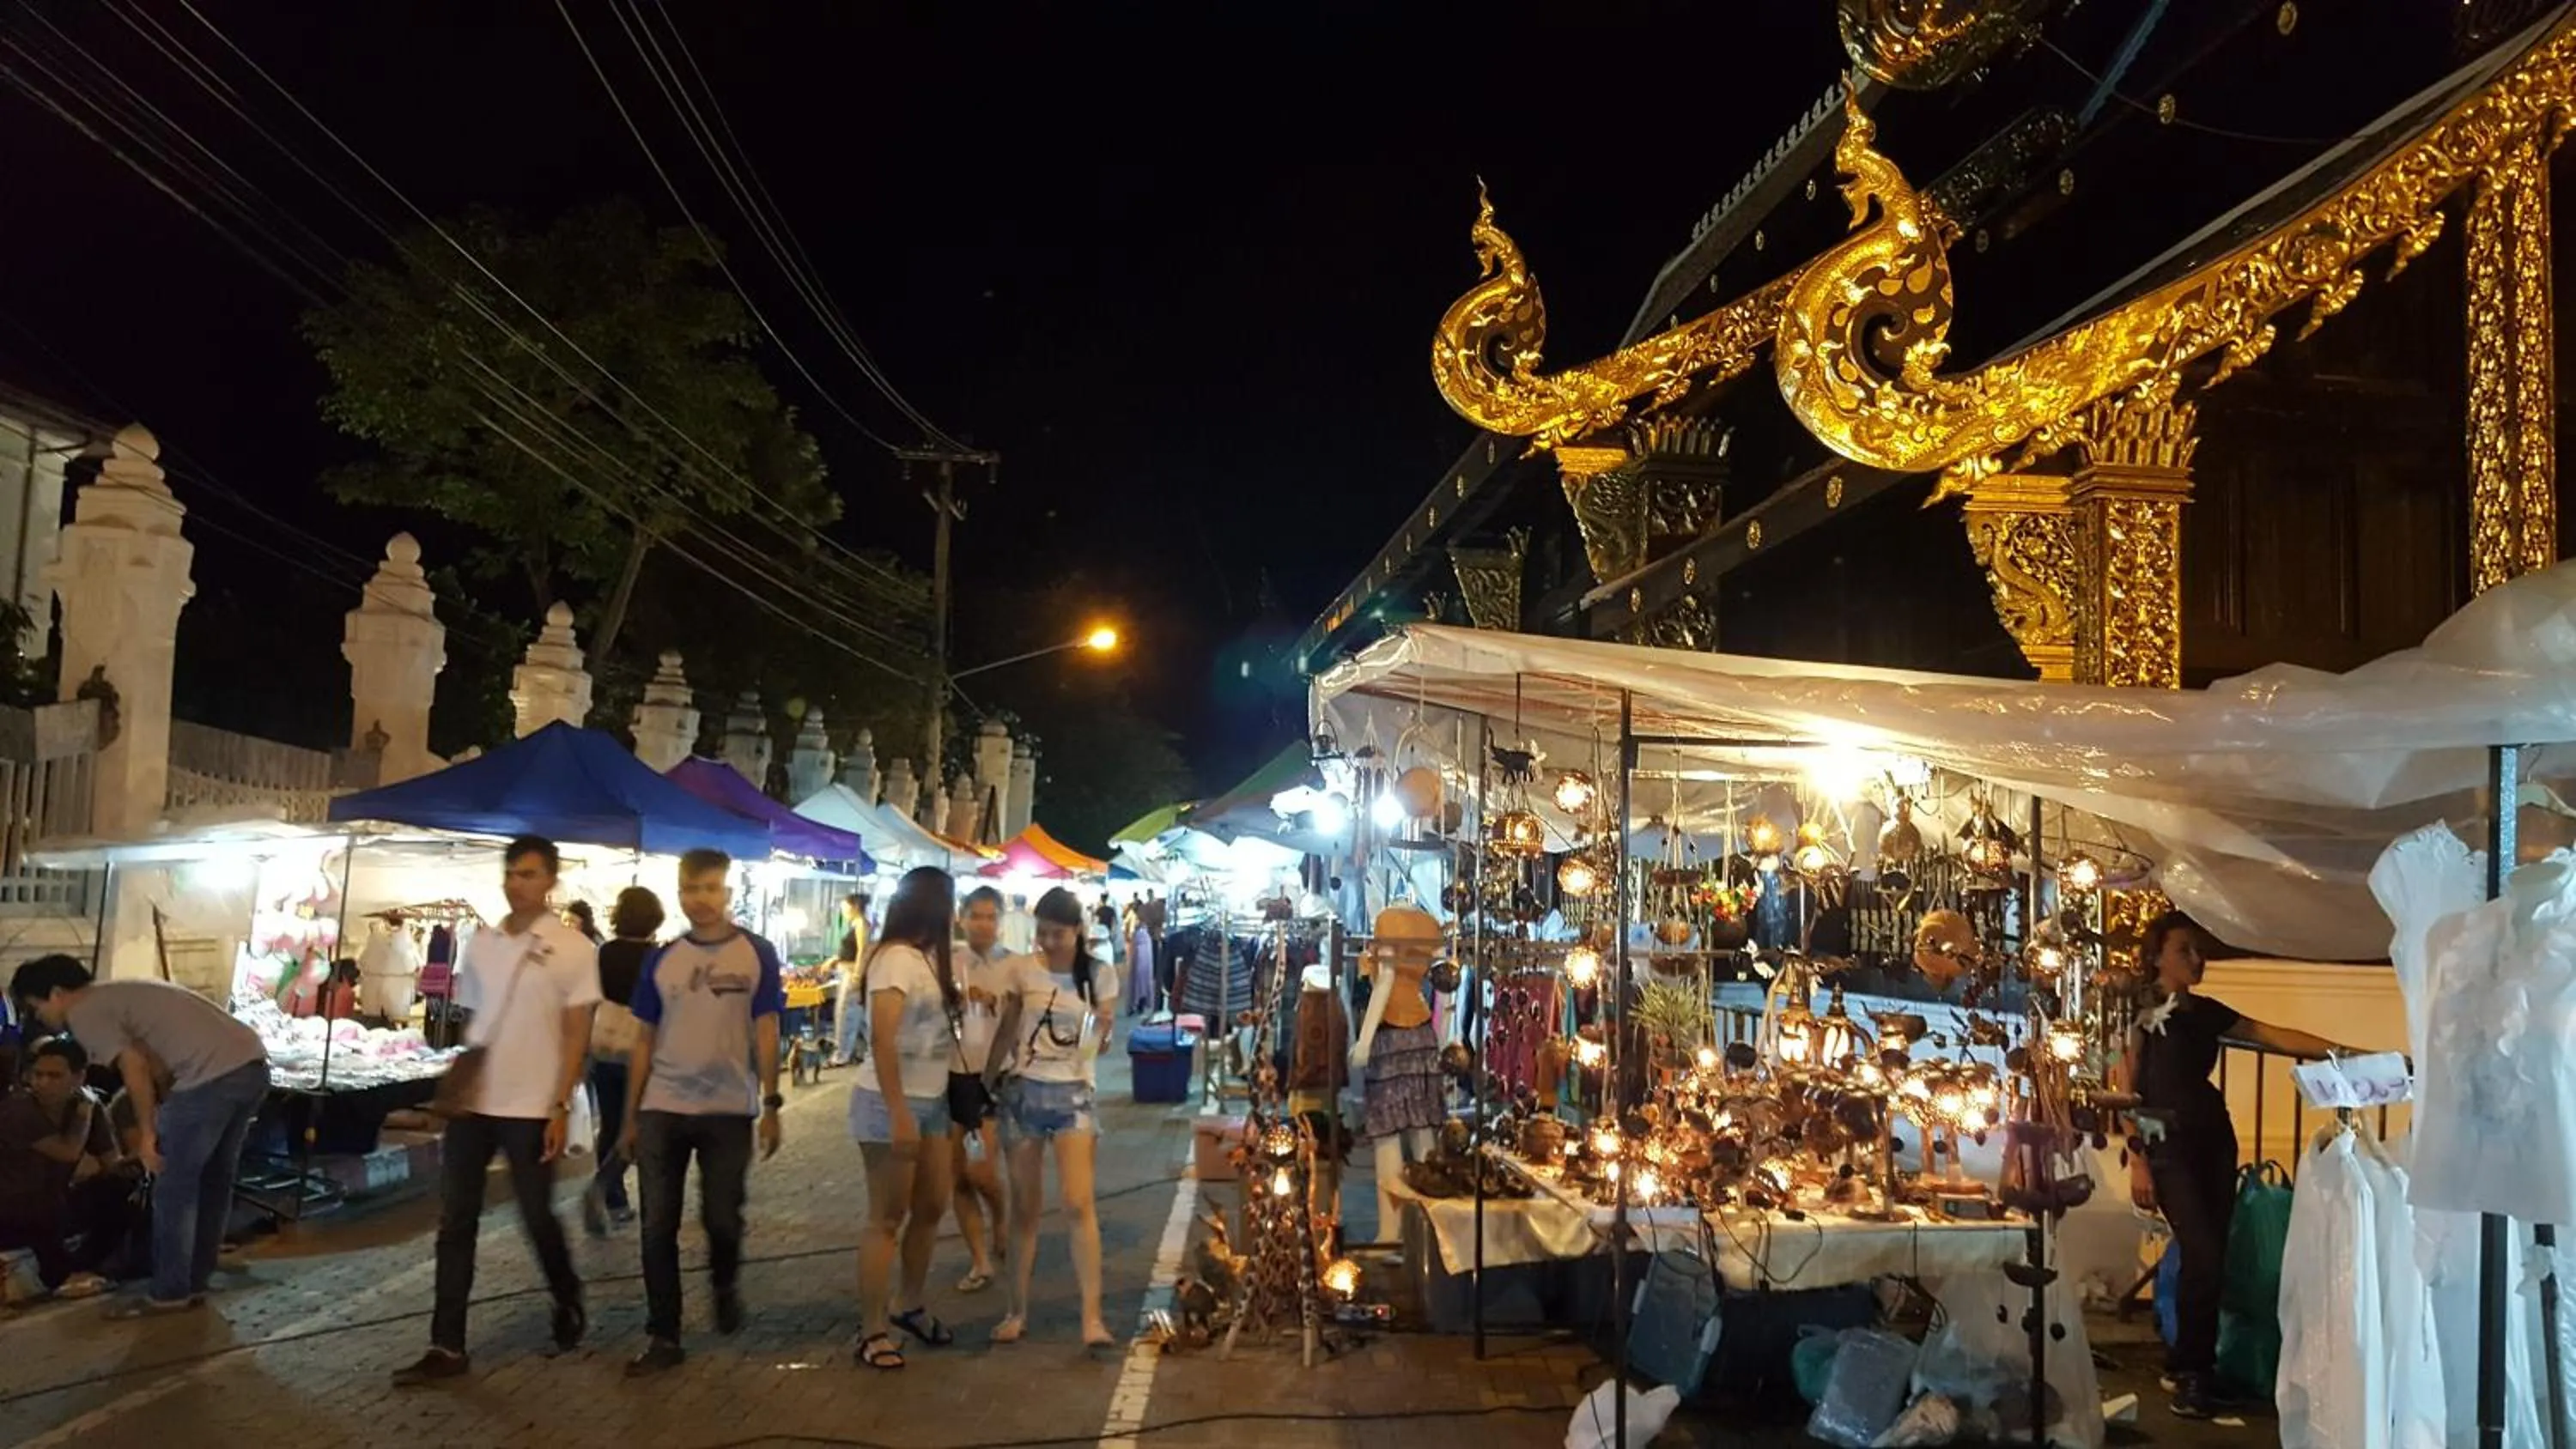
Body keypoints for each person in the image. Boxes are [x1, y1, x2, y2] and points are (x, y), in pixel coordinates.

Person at [2118, 910, 2347, 1419]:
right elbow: (2125, 1086)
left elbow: (2273, 1033)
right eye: (2185, 951)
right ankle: (2192, 1373)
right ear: (2157, 956)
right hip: (2167, 1144)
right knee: (2201, 1252)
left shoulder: (2206, 1012)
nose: (2197, 959)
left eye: (2200, 951)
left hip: (2213, 1139)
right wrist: (2137, 1159)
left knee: (2213, 1252)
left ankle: (2191, 1366)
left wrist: (2345, 1051)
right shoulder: (2135, 1011)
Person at [393, 837, 601, 1387]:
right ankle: (447, 1343)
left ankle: (566, 1293)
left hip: (532, 1105)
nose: (517, 883)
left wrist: (560, 1103)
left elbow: (578, 1031)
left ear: (551, 881)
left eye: (530, 874)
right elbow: (474, 1019)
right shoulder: (480, 942)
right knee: (455, 1221)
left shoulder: (572, 948)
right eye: (511, 873)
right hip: (475, 1103)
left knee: (536, 1214)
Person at [9, 954, 269, 1319]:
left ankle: (169, 1292)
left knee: (173, 1188)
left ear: (55, 993)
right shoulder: (116, 994)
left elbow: (134, 1068)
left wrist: (148, 1134)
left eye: (36, 1007)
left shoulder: (85, 1012)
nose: (39, 1017)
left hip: (209, 1078)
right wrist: (165, 1105)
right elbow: (154, 1059)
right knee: (212, 1181)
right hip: (251, 1066)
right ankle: (194, 1281)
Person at [617, 849, 786, 1375]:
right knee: (656, 1226)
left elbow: (767, 1030)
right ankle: (663, 1333)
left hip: (728, 1109)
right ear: (680, 893)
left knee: (722, 1217)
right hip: (662, 1108)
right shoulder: (662, 959)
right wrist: (629, 1116)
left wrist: (773, 1102)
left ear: (729, 895)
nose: (701, 899)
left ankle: (724, 1281)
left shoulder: (756, 953)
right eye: (691, 889)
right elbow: (643, 1039)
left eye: (711, 889)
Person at [986, 887, 1118, 1349]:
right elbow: (1005, 1030)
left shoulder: (1098, 975)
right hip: (1023, 1093)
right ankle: (1016, 1310)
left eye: (1057, 933)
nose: (1047, 941)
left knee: (1079, 1204)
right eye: (1041, 932)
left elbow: (1098, 1042)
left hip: (1074, 1097)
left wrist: (1099, 1035)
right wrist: (986, 1084)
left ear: (1077, 931)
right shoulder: (1022, 970)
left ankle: (1092, 1318)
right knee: (1025, 1208)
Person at [847, 866, 961, 1370]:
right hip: (888, 1102)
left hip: (933, 1101)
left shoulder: (928, 958)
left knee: (934, 1204)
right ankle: (872, 1330)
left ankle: (908, 1303)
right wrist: (897, 1112)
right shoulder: (893, 958)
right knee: (886, 1218)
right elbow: (882, 1037)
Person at [0, 1037, 130, 1300]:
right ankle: (60, 1275)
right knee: (36, 1202)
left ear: (79, 1076)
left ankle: (85, 1267)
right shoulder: (19, 1109)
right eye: (38, 1075)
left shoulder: (89, 1107)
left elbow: (112, 1161)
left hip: (53, 1203)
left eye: (55, 1076)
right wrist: (85, 1110)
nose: (43, 1083)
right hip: (14, 1207)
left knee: (122, 1192)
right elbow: (67, 1152)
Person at [583, 886, 664, 1237]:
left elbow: (591, 999)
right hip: (642, 1050)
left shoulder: (604, 953)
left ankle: (615, 1202)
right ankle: (610, 1186)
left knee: (611, 1124)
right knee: (642, 1128)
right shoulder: (657, 958)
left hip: (604, 1046)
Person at [948, 886, 1011, 1294]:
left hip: (993, 1075)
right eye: (977, 916)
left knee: (981, 1170)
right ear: (962, 917)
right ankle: (980, 1260)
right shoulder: (947, 961)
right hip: (950, 1073)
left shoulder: (1015, 966)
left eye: (991, 916)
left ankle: (1001, 1216)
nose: (983, 924)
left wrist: (996, 1002)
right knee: (956, 1176)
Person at [829, 894, 872, 1067]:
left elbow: (862, 950)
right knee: (860, 1017)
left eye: (845, 907)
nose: (843, 910)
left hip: (852, 973)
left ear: (855, 907)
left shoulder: (861, 924)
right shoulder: (856, 924)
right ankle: (867, 1051)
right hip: (847, 971)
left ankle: (841, 1055)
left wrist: (857, 975)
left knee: (845, 1014)